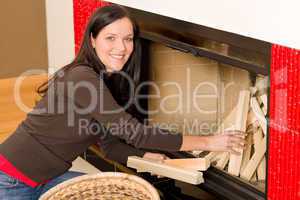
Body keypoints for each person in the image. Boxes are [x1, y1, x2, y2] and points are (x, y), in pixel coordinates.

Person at [0, 5, 245, 199]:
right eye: (111, 38)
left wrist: (145, 155)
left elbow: (110, 146)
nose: (121, 47)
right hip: (10, 181)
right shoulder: (81, 77)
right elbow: (134, 133)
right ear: (93, 40)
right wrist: (209, 141)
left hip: (46, 178)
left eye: (128, 39)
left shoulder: (105, 81)